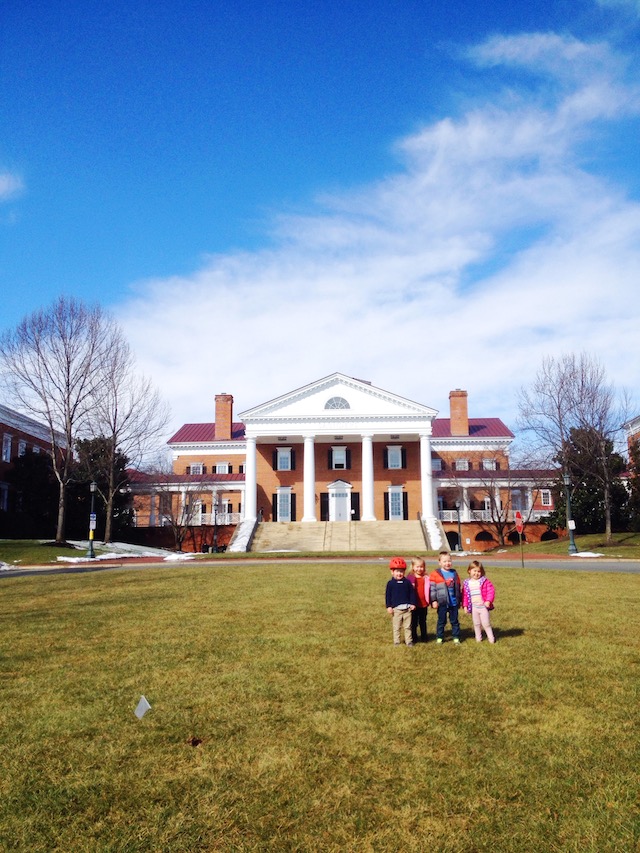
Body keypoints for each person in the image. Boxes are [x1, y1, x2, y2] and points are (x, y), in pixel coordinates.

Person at [429, 550, 462, 644]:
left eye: (449, 561)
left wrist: (459, 599)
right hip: (442, 602)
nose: (447, 563)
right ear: (439, 562)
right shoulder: (435, 574)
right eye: (444, 561)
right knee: (441, 621)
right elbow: (432, 589)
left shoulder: (454, 573)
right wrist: (434, 600)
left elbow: (458, 587)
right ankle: (440, 637)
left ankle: (456, 637)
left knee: (454, 621)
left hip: (453, 602)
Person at [385, 556, 417, 646]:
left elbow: (411, 593)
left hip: (407, 609)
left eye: (401, 571)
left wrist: (413, 603)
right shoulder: (390, 584)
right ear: (392, 572)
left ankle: (409, 641)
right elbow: (388, 596)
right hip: (396, 610)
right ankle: (397, 641)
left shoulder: (407, 583)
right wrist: (389, 606)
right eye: (397, 571)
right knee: (397, 627)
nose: (399, 574)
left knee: (408, 626)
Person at [462, 560, 496, 643]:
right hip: (474, 607)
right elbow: (465, 596)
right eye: (474, 571)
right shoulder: (467, 583)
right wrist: (465, 606)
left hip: (483, 607)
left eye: (479, 571)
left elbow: (491, 591)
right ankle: (478, 638)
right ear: (469, 571)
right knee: (476, 624)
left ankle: (491, 638)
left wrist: (488, 601)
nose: (476, 573)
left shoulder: (484, 581)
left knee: (486, 623)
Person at [407, 557, 429, 642]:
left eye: (421, 567)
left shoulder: (426, 578)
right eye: (417, 567)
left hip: (423, 604)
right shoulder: (410, 578)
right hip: (414, 604)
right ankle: (414, 637)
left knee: (423, 621)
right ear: (413, 567)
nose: (419, 569)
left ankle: (424, 637)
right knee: (414, 622)